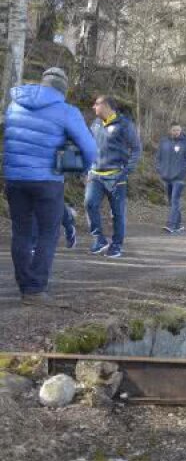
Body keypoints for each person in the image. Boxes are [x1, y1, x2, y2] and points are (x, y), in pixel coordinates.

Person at [3, 67, 97, 303]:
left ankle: (25, 285)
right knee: (48, 233)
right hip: (47, 180)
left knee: (21, 233)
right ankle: (35, 290)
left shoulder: (14, 104)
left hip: (14, 179)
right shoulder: (66, 111)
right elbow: (89, 148)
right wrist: (81, 168)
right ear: (62, 88)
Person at [86, 95, 142, 258]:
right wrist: (87, 168)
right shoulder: (95, 124)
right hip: (95, 175)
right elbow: (88, 146)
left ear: (106, 106)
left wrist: (126, 171)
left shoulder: (124, 124)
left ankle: (117, 245)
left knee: (117, 213)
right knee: (90, 204)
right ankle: (99, 239)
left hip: (116, 176)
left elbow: (137, 149)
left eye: (96, 104)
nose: (93, 107)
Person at [155, 123, 186, 233]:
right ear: (170, 130)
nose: (176, 132)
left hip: (179, 177)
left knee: (175, 200)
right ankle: (179, 225)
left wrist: (182, 172)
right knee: (172, 201)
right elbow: (158, 157)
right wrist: (159, 169)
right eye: (174, 130)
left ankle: (171, 225)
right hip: (166, 176)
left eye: (178, 130)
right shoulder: (164, 142)